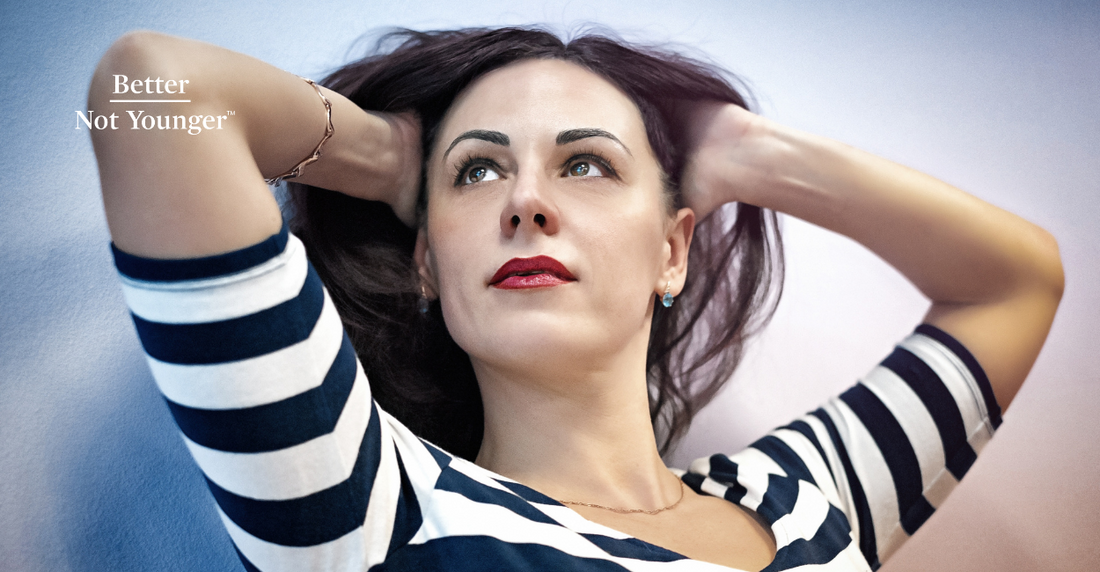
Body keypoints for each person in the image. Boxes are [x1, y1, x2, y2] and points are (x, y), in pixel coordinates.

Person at [89, 26, 1063, 572]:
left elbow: (1016, 280)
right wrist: (393, 157)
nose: (526, 202)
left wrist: (743, 155)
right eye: (478, 175)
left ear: (670, 252)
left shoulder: (808, 496)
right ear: (427, 264)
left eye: (586, 164)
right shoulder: (368, 508)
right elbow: (146, 93)